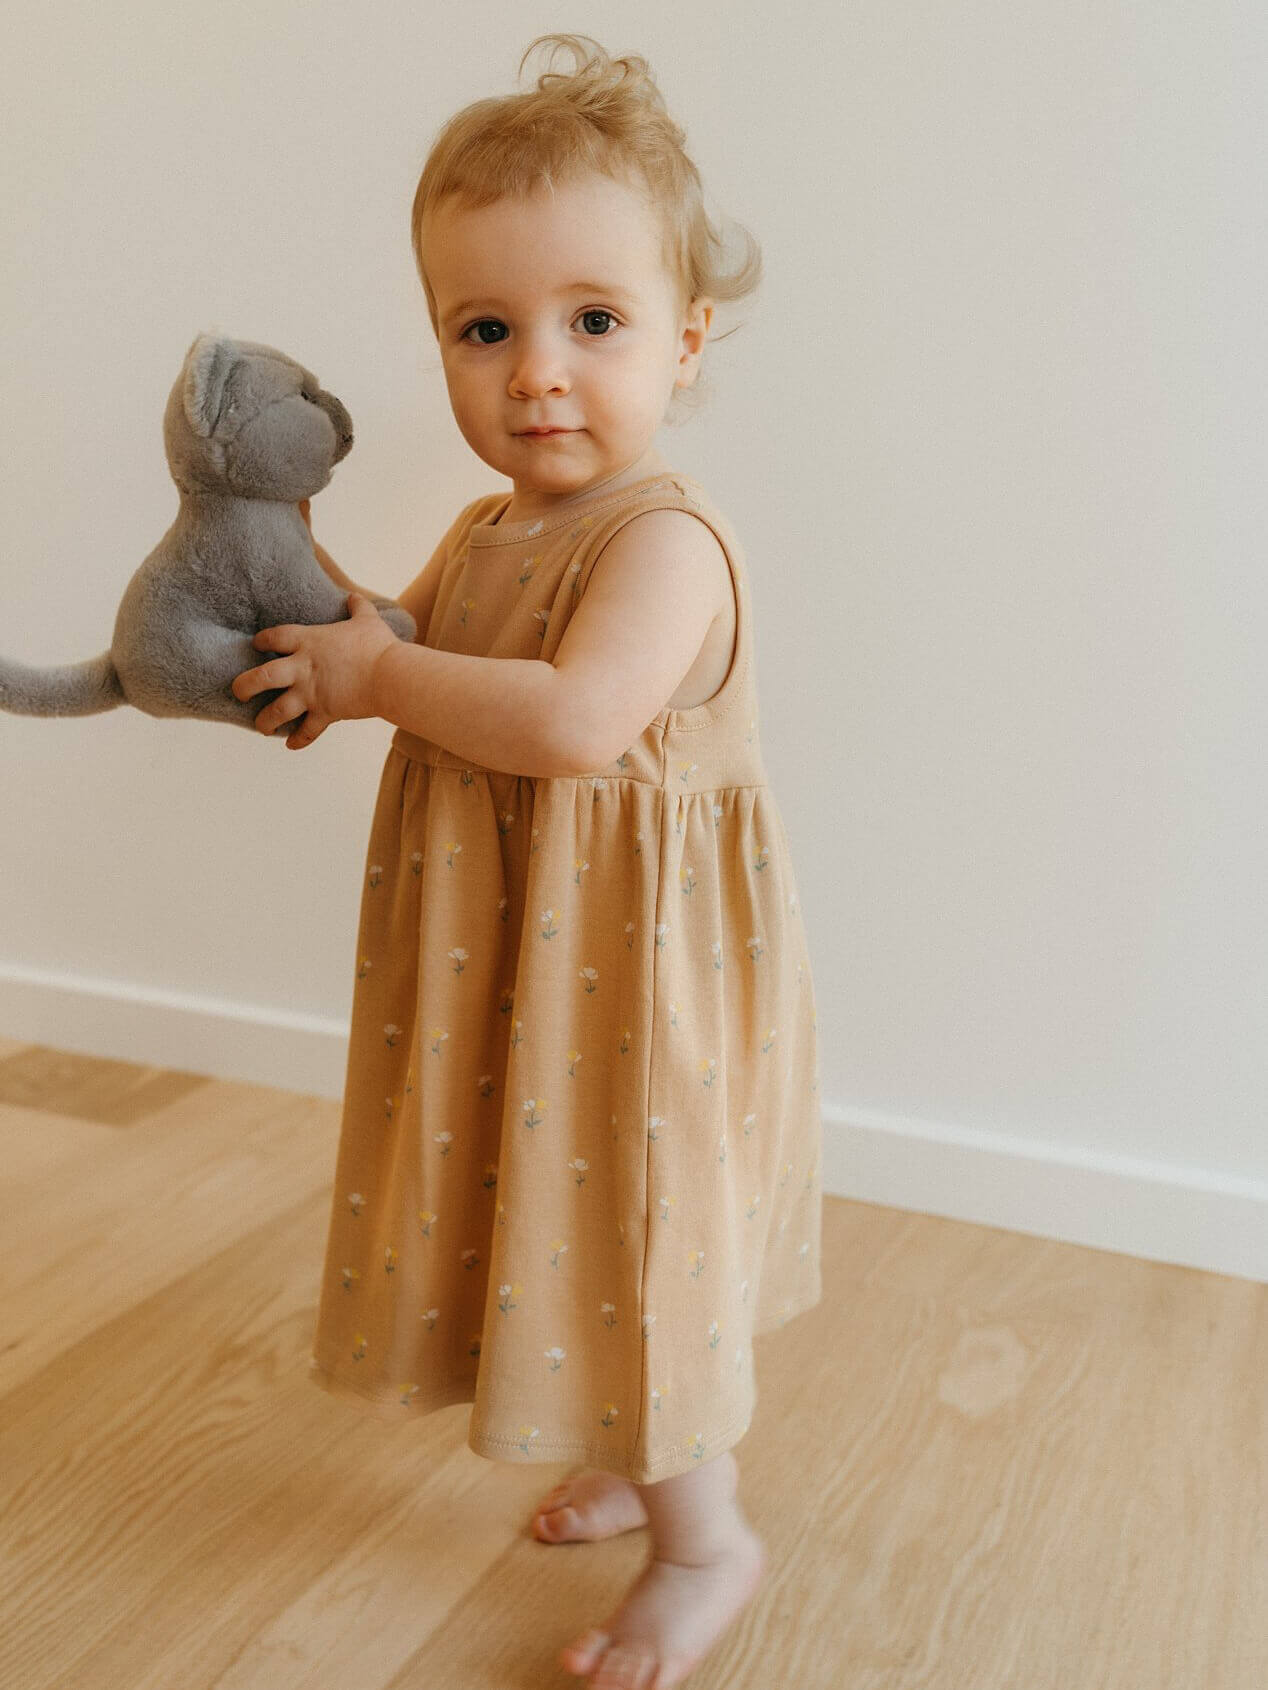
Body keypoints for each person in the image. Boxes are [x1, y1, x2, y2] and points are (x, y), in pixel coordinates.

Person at [232, 33, 822, 1690]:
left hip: (638, 990)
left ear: (688, 338)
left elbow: (569, 719)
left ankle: (708, 1543)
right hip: (527, 973)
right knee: (558, 1228)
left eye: (595, 321)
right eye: (484, 330)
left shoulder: (664, 544)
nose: (537, 372)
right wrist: (318, 630)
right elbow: (419, 642)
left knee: (635, 1236)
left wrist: (386, 678)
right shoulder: (495, 529)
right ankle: (631, 1451)